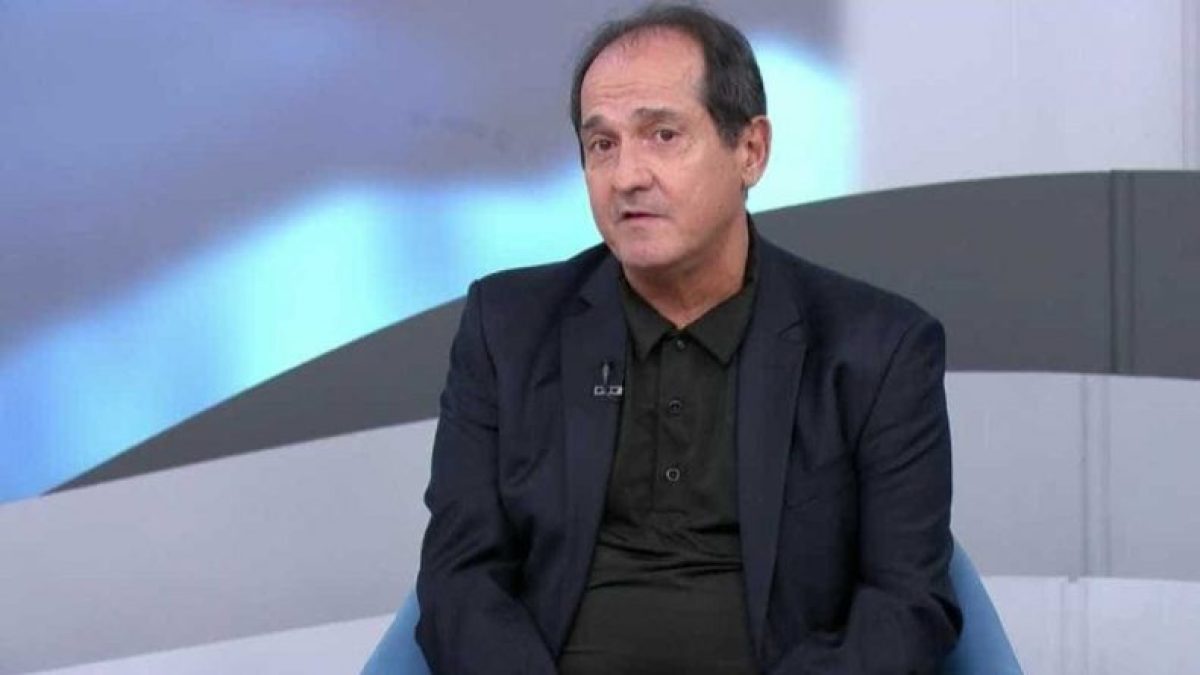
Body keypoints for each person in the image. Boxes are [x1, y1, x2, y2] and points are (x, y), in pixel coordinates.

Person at [415, 4, 961, 673]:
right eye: (602, 145)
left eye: (663, 135)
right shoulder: (507, 327)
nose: (627, 176)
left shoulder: (877, 348)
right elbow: (459, 580)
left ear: (750, 151)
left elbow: (907, 605)